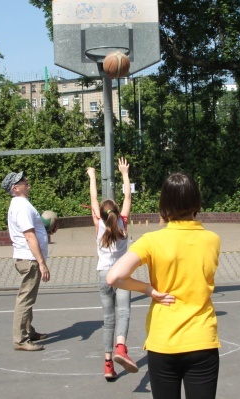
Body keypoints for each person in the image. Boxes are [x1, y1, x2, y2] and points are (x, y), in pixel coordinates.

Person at [106, 172, 220, 399]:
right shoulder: (212, 239)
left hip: (164, 340)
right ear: (196, 202)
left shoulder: (152, 240)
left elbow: (114, 277)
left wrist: (148, 289)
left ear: (164, 205)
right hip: (202, 338)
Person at [87, 158, 138, 381]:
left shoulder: (99, 224)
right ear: (117, 213)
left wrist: (92, 176)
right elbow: (128, 196)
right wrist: (124, 173)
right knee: (124, 311)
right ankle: (121, 347)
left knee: (108, 318)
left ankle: (108, 365)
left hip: (103, 275)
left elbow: (93, 199)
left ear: (101, 213)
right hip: (122, 273)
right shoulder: (123, 224)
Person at [2, 171, 50, 352]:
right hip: (29, 259)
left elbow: (33, 231)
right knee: (25, 299)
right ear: (15, 188)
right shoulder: (21, 206)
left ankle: (29, 331)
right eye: (22, 181)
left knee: (29, 297)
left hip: (29, 258)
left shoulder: (22, 204)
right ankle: (21, 340)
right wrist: (42, 262)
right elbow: (29, 236)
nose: (26, 182)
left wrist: (46, 232)